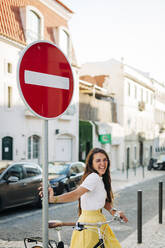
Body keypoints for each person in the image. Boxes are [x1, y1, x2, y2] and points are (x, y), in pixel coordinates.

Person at [39, 147, 128, 248]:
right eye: (98, 160)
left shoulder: (100, 178)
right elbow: (76, 194)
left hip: (98, 223)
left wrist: (114, 212)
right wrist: (53, 199)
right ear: (91, 164)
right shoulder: (93, 177)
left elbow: (103, 201)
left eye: (105, 160)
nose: (102, 164)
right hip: (90, 225)